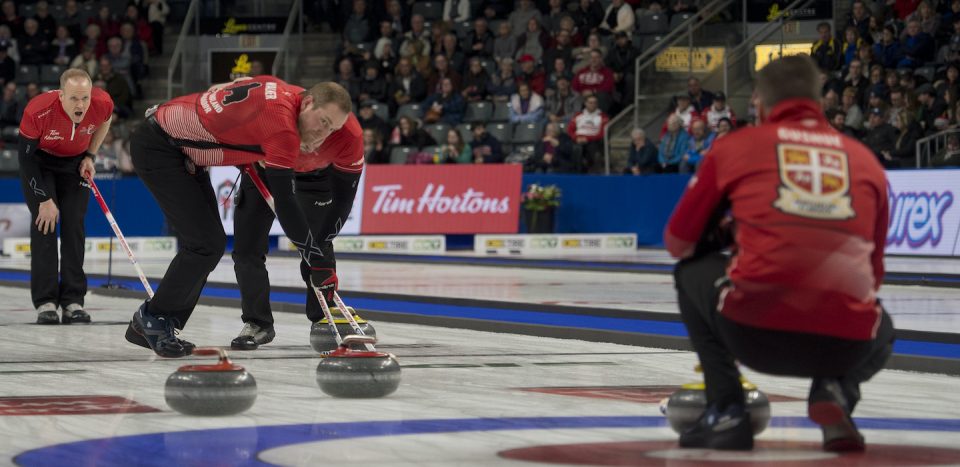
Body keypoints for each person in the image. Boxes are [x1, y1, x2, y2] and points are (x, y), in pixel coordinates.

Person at [664, 55, 894, 452]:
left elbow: (678, 243)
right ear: (820, 100)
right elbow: (874, 274)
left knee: (689, 271)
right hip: (844, 344)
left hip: (754, 333)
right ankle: (836, 390)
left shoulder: (737, 147)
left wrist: (729, 236)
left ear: (760, 101)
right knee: (881, 322)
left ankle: (727, 410)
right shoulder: (865, 161)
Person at [126, 77, 351, 358]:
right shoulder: (282, 129)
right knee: (204, 244)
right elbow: (285, 202)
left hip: (177, 144)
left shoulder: (279, 91)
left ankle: (160, 320)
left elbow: (230, 88)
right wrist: (316, 259)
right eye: (324, 122)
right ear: (307, 103)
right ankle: (152, 318)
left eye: (333, 129)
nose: (323, 134)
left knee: (210, 245)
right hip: (161, 147)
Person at [231, 109, 364, 350]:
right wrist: (243, 150)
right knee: (246, 249)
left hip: (313, 177)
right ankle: (257, 322)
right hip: (264, 170)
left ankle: (323, 316)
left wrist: (320, 252)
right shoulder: (270, 110)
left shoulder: (348, 133)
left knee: (318, 244)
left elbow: (344, 201)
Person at [18, 69, 114, 325]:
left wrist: (90, 155)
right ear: (61, 95)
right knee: (45, 225)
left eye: (85, 98)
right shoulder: (38, 110)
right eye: (73, 98)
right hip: (40, 163)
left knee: (74, 226)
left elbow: (105, 121)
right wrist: (44, 199)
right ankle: (46, 302)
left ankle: (73, 301)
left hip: (74, 164)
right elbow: (25, 159)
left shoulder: (102, 103)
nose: (80, 105)